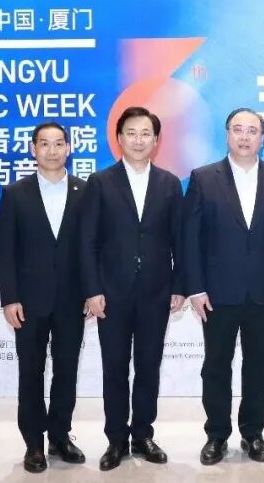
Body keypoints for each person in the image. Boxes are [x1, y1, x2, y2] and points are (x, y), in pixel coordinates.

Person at [182, 107, 264, 465]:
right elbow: (190, 238)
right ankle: (217, 434)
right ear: (227, 135)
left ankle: (253, 432)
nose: (245, 136)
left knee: (262, 366)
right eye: (238, 129)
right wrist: (195, 288)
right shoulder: (203, 178)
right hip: (217, 293)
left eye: (252, 130)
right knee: (216, 365)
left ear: (263, 138)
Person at [80, 106, 185, 471]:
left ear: (156, 140)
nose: (138, 140)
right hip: (111, 293)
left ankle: (142, 435)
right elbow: (88, 241)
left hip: (157, 291)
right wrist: (92, 289)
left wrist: (179, 286)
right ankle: (115, 439)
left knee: (148, 366)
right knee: (114, 367)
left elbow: (179, 240)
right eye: (131, 133)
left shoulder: (169, 183)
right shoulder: (100, 182)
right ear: (119, 138)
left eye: (145, 134)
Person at [0, 121, 87, 473]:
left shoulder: (84, 190)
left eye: (59, 143)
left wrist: (91, 291)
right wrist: (10, 298)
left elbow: (91, 247)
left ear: (69, 148)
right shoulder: (15, 193)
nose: (52, 150)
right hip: (29, 302)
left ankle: (60, 437)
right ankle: (33, 443)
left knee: (66, 370)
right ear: (33, 149)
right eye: (44, 144)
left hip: (72, 299)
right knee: (31, 371)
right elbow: (6, 252)